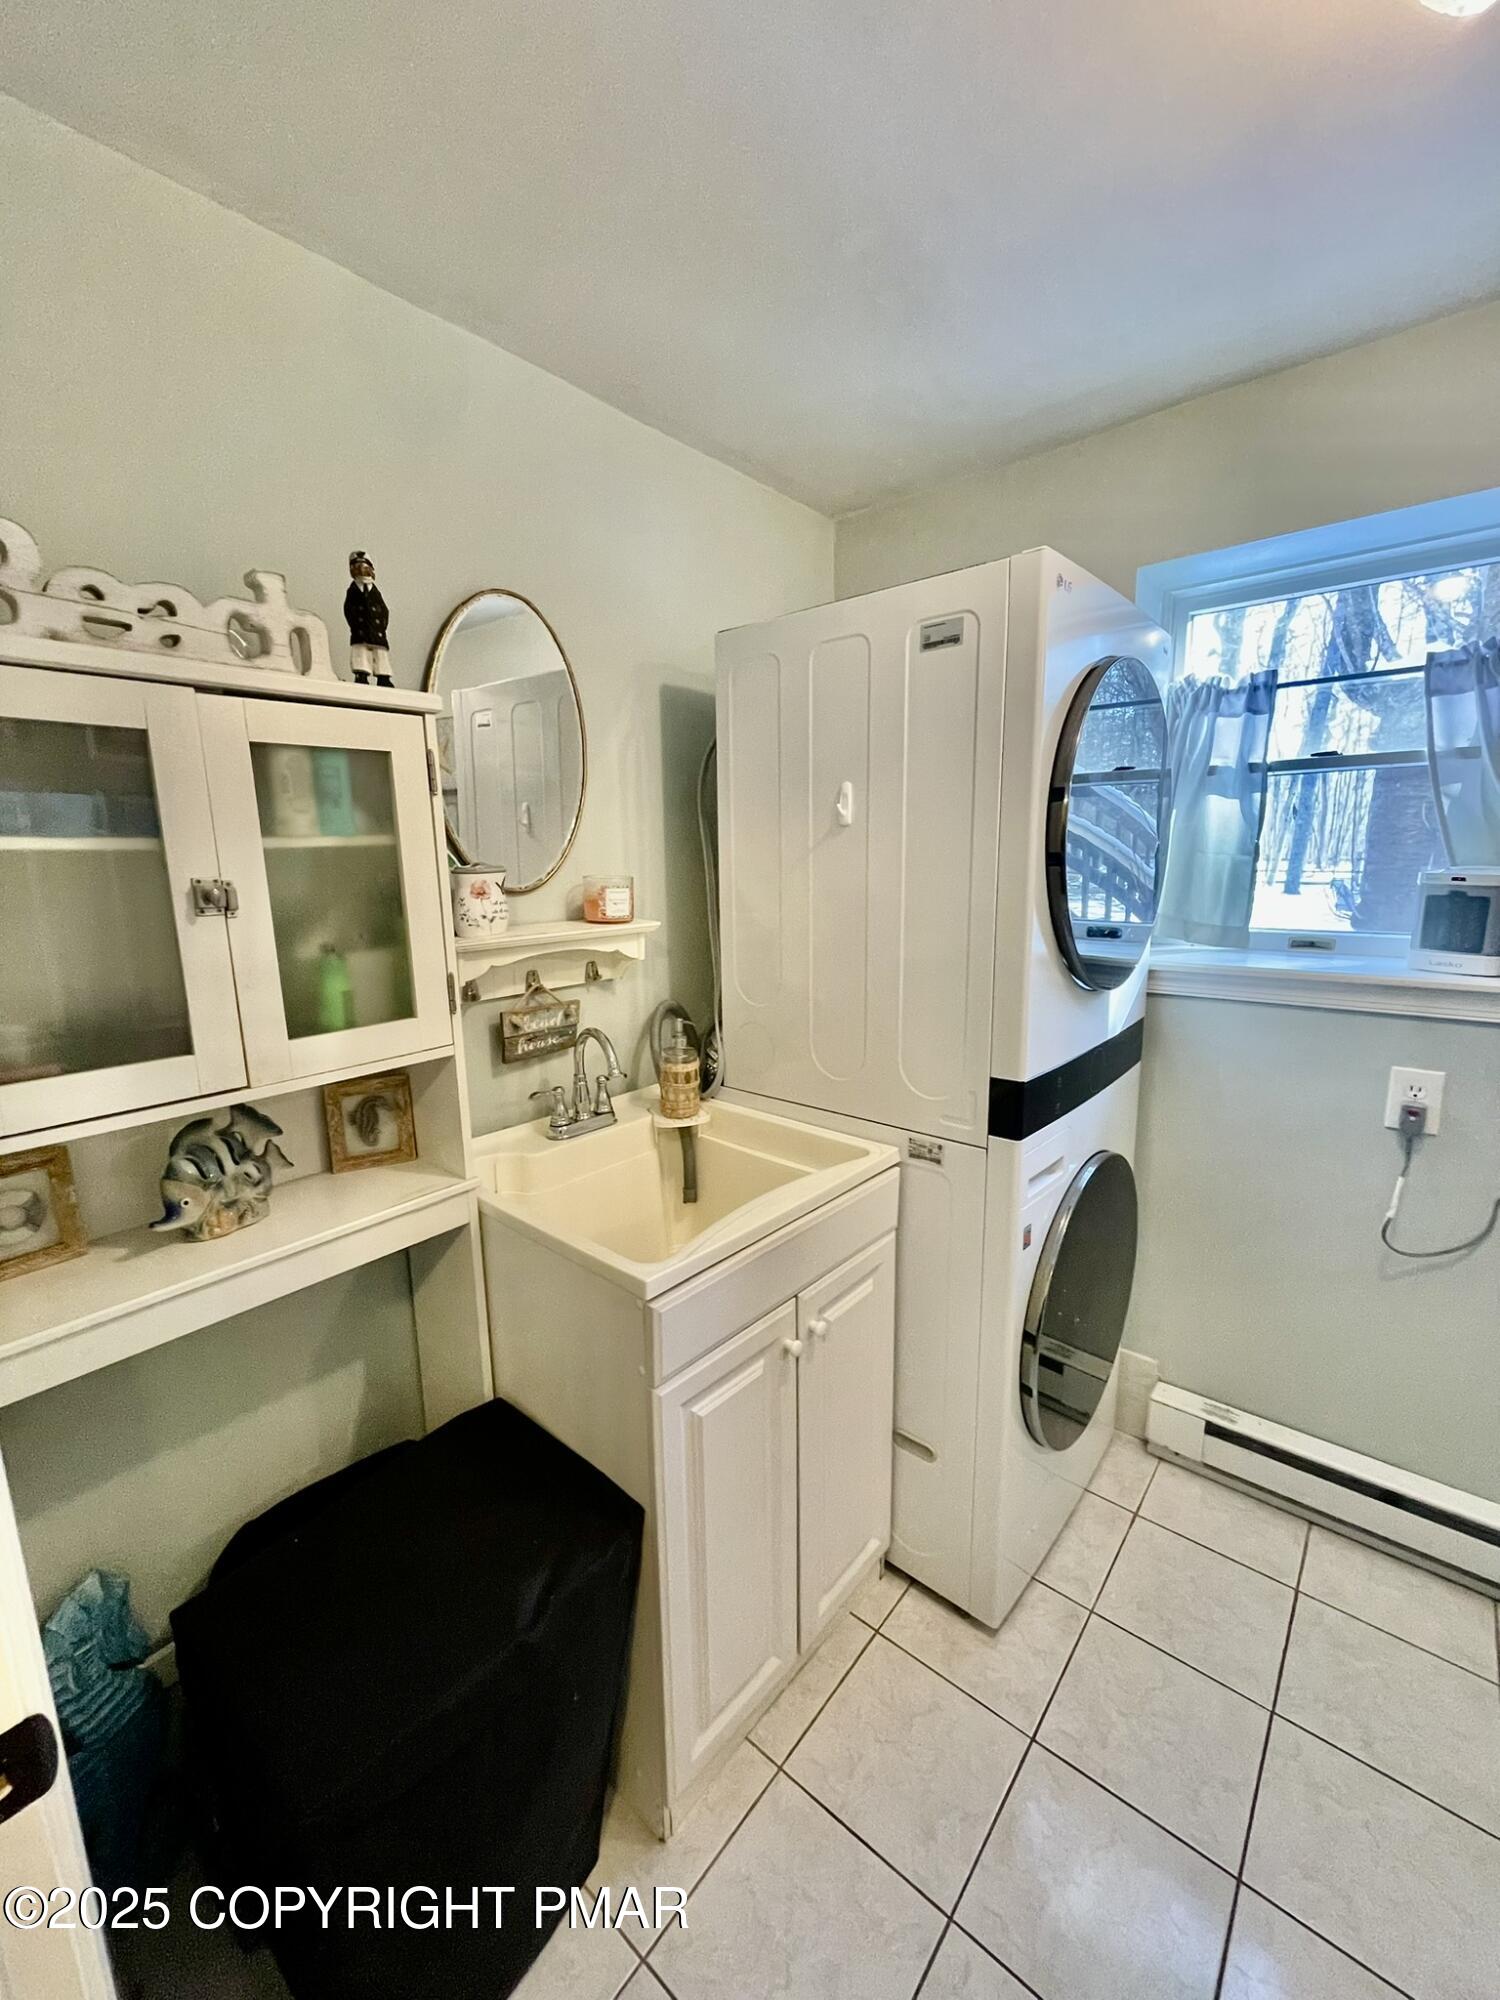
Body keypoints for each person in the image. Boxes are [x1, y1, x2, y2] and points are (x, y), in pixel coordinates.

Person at [344, 550, 392, 686]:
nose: (361, 571)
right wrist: (355, 624)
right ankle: (362, 674)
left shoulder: (375, 592)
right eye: (357, 568)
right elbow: (348, 610)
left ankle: (383, 677)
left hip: (377, 631)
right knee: (361, 653)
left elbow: (384, 611)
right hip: (361, 630)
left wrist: (381, 626)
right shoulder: (352, 591)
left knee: (380, 654)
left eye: (364, 568)